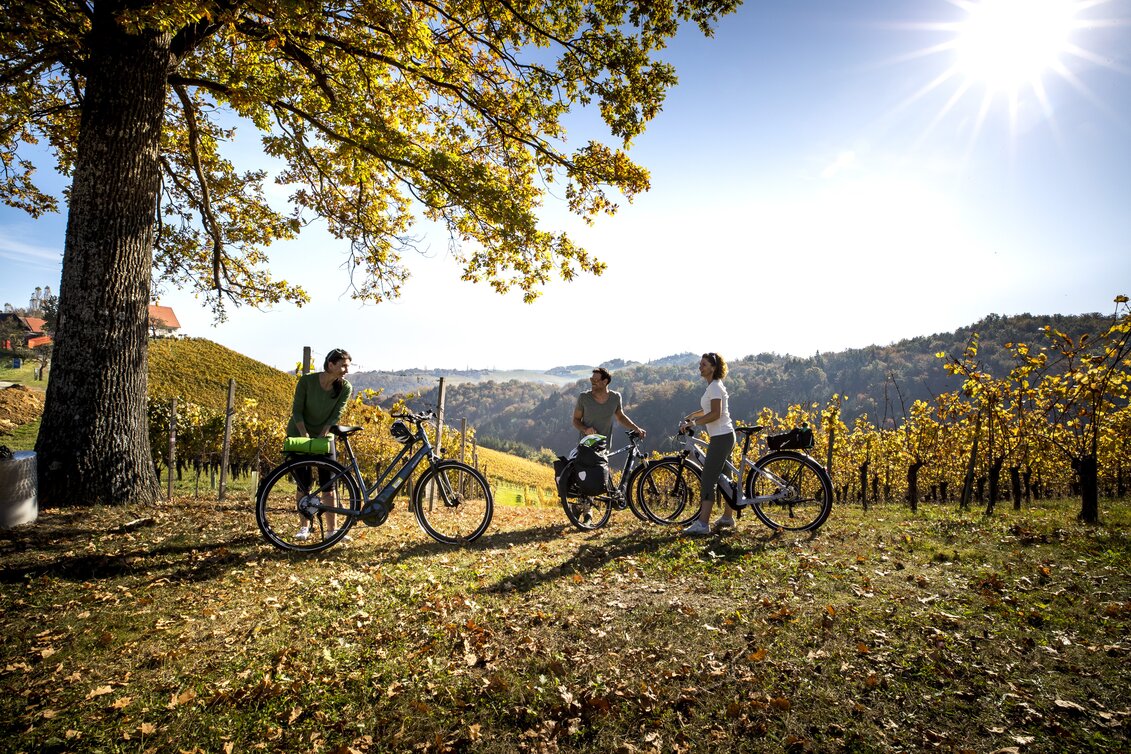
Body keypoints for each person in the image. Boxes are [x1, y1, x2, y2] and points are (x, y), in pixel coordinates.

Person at [290, 348, 353, 541]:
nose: (346, 370)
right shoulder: (307, 381)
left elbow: (336, 414)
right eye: (343, 366)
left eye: (348, 366)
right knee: (303, 483)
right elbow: (297, 410)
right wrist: (305, 436)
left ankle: (332, 532)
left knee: (329, 485)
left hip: (325, 436)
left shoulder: (345, 387)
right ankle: (304, 527)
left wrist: (323, 434)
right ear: (331, 364)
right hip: (300, 433)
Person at [680, 352, 736, 535]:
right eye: (700, 364)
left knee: (708, 478)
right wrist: (691, 416)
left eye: (703, 364)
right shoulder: (714, 386)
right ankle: (728, 518)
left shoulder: (714, 387)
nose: (700, 367)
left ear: (713, 367)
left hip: (721, 437)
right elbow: (707, 409)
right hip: (725, 435)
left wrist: (694, 423)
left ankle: (703, 524)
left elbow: (715, 414)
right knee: (726, 479)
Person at [572, 367, 646, 449]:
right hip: (586, 445)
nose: (592, 383)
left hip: (604, 447)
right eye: (591, 379)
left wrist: (636, 428)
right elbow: (576, 419)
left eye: (595, 380)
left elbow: (621, 417)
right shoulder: (584, 397)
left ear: (605, 381)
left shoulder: (615, 397)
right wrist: (585, 429)